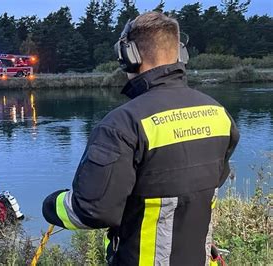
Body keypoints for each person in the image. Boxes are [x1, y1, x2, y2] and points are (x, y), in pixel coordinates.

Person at [42, 12, 239, 266]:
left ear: (129, 57)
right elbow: (206, 184)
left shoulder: (121, 125)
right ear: (180, 54)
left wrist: (51, 205)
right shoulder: (218, 114)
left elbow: (92, 211)